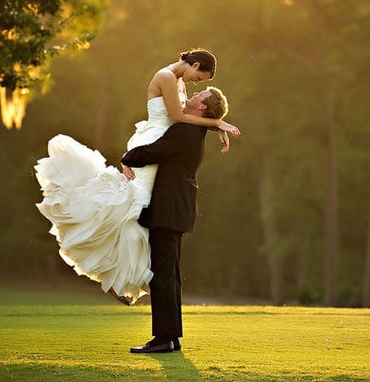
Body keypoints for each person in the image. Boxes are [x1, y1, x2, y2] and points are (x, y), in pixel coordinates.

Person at [34, 48, 239, 304]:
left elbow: (187, 119)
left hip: (162, 144)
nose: (196, 83)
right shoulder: (165, 76)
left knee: (140, 210)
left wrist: (214, 123)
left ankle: (116, 276)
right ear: (195, 64)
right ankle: (110, 273)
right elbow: (178, 116)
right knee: (134, 204)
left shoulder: (179, 84)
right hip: (153, 144)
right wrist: (216, 123)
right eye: (199, 78)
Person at [122, 86, 230, 354]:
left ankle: (163, 339)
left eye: (200, 95)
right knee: (169, 275)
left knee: (163, 276)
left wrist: (126, 158)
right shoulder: (196, 128)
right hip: (176, 210)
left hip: (168, 211)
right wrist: (218, 125)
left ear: (202, 107)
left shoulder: (185, 130)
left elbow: (153, 152)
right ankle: (170, 337)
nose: (193, 95)